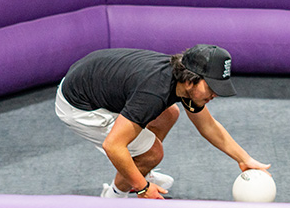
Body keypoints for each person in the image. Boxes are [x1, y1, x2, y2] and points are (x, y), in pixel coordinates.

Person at [55, 46, 270, 199]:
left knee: (169, 114)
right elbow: (113, 145)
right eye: (211, 87)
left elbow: (208, 126)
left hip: (90, 81)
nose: (215, 94)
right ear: (189, 81)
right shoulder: (153, 92)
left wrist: (244, 159)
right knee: (152, 153)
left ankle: (137, 171)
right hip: (79, 106)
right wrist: (142, 188)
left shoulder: (181, 80)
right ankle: (113, 198)